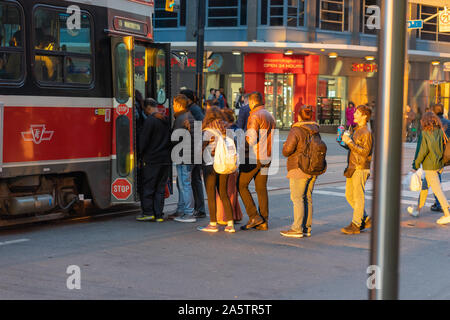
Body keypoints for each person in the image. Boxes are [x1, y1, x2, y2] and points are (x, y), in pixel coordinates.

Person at [238, 92, 276, 231]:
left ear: (253, 102)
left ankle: (254, 216)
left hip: (255, 156)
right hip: (268, 155)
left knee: (241, 185)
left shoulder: (254, 115)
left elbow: (251, 139)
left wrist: (242, 146)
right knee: (261, 188)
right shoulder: (269, 114)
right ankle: (264, 220)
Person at [280, 105, 319, 238]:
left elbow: (287, 150)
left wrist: (285, 145)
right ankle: (306, 228)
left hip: (299, 167)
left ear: (299, 116)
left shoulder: (296, 129)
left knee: (297, 198)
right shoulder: (315, 129)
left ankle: (296, 228)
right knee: (307, 197)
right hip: (313, 167)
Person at [198, 107, 236, 233]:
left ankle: (213, 224)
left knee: (211, 194)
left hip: (210, 165)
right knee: (223, 193)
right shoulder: (226, 128)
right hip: (224, 163)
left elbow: (201, 148)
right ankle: (230, 224)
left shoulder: (207, 130)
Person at [411, 112, 450, 225]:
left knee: (437, 190)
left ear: (425, 121)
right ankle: (417, 210)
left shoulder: (425, 133)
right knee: (425, 187)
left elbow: (422, 151)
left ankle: (447, 213)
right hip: (439, 164)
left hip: (430, 166)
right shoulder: (440, 131)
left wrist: (415, 166)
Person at [136, 98, 171, 222]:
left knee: (149, 186)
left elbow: (143, 141)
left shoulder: (150, 121)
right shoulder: (166, 119)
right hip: (165, 159)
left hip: (152, 159)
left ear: (148, 108)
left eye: (144, 109)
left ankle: (148, 212)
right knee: (160, 187)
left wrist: (140, 154)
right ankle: (159, 215)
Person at [340, 105, 373, 235]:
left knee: (358, 197)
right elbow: (353, 149)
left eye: (357, 113)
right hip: (352, 166)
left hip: (360, 167)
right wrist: (343, 141)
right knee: (349, 195)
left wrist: (350, 143)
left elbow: (365, 152)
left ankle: (356, 224)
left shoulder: (366, 132)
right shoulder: (357, 129)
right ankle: (364, 217)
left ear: (364, 116)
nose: (354, 115)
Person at [170, 94, 197, 223]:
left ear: (179, 105)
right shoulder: (190, 116)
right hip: (190, 155)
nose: (173, 106)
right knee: (183, 184)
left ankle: (188, 213)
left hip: (183, 156)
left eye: (174, 104)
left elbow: (175, 139)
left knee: (185, 184)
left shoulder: (180, 118)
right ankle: (182, 209)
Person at [180, 89, 206, 219]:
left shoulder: (194, 110)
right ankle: (199, 208)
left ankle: (200, 208)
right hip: (196, 148)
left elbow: (201, 126)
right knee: (195, 179)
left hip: (195, 148)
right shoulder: (193, 108)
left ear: (188, 98)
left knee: (195, 180)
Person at [215, 108, 243, 224]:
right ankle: (235, 215)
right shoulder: (238, 130)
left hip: (226, 165)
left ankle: (224, 217)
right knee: (233, 191)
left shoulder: (227, 133)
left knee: (225, 192)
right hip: (235, 164)